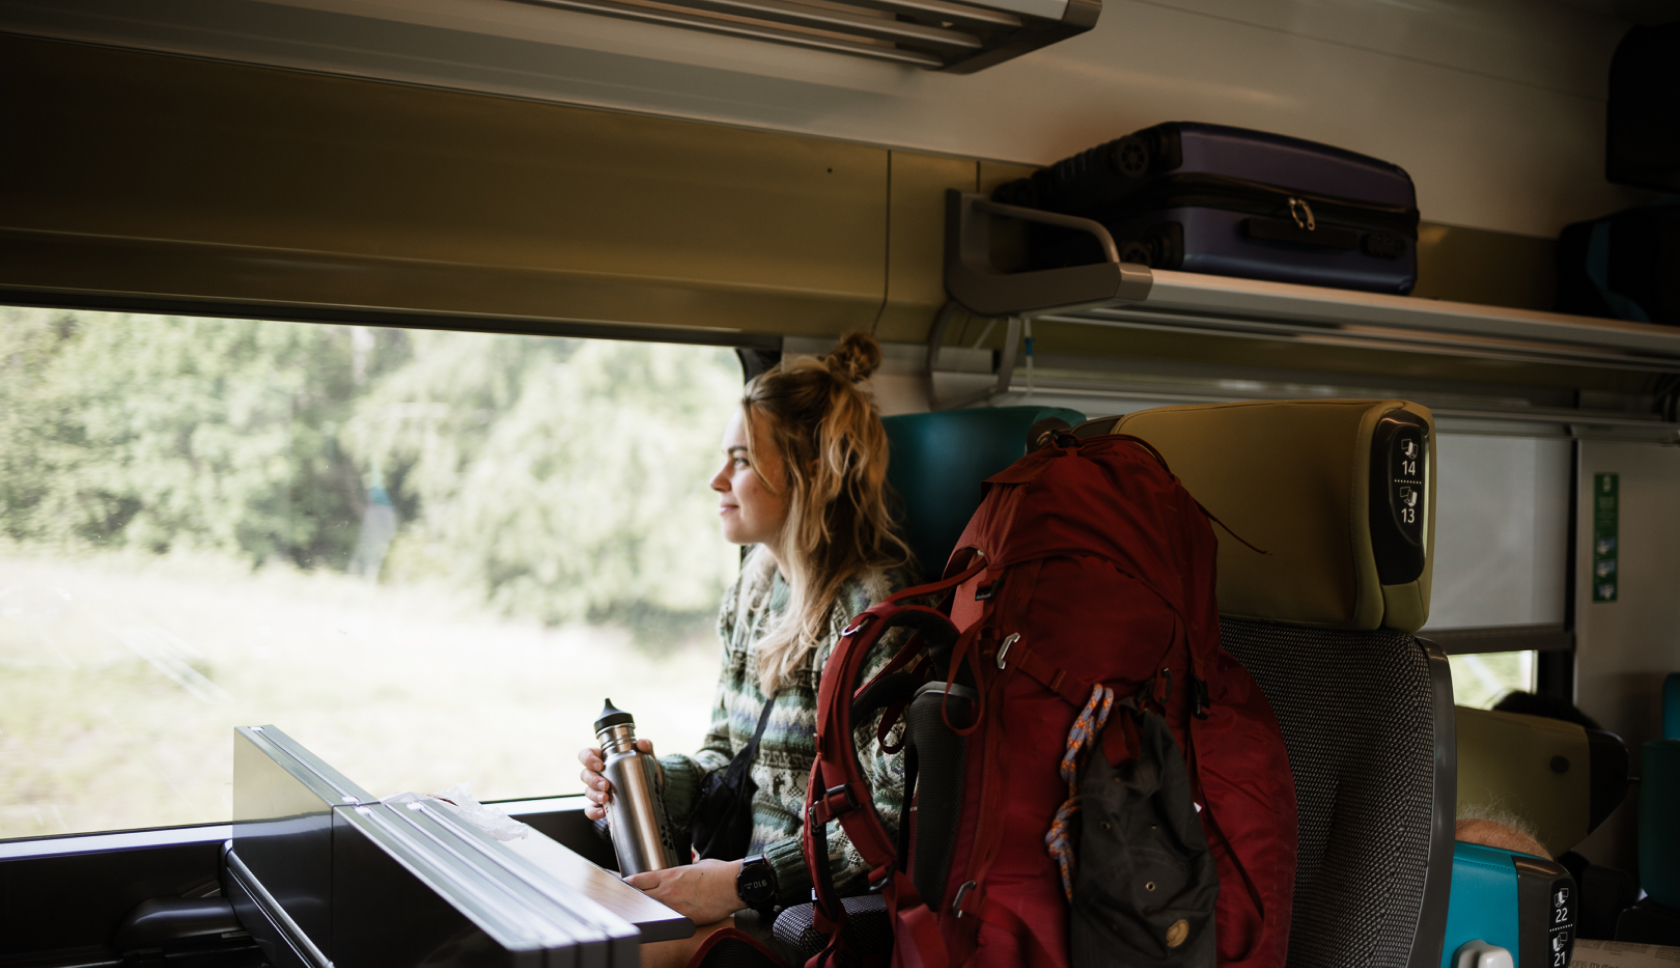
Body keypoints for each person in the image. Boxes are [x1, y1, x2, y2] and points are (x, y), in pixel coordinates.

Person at [577, 332, 915, 966]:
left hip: (799, 915)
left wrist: (739, 883)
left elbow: (884, 825)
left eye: (740, 459)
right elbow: (728, 760)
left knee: (610, 956)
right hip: (734, 889)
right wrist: (646, 784)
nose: (716, 480)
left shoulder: (875, 617)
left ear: (810, 472)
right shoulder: (755, 592)